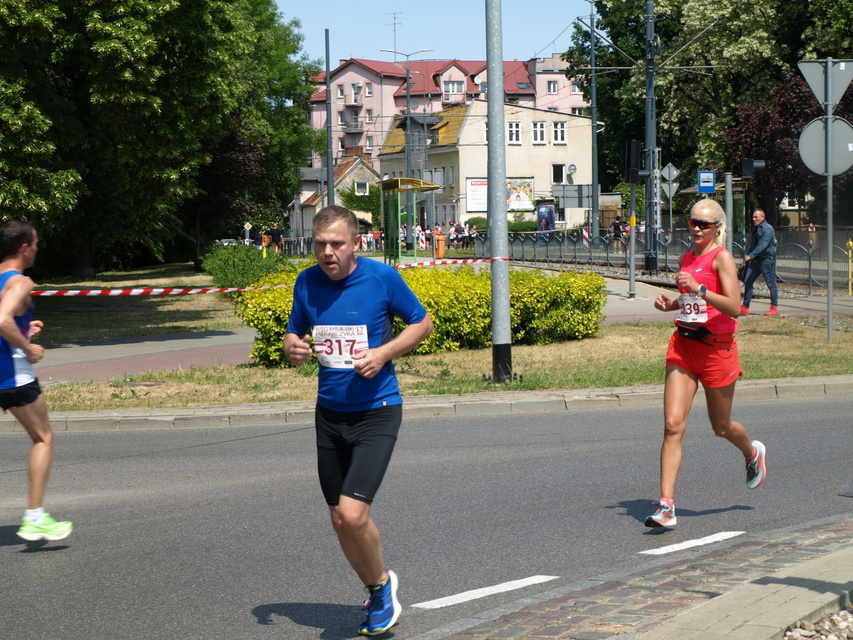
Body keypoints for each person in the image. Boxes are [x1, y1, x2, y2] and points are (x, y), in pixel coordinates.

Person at [283, 205, 433, 636]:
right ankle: (376, 586)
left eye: (337, 244)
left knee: (352, 513)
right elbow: (295, 331)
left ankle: (383, 590)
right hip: (329, 414)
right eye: (320, 244)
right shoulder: (306, 281)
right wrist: (293, 347)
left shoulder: (381, 278)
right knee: (337, 517)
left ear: (355, 243)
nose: (327, 253)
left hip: (377, 411)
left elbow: (422, 323)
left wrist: (384, 353)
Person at [646, 199, 766, 528]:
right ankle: (666, 506)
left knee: (721, 427)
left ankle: (752, 453)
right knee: (672, 426)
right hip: (684, 347)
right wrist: (670, 303)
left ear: (716, 228)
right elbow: (691, 304)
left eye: (704, 224)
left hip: (717, 351)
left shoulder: (722, 258)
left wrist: (698, 288)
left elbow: (733, 306)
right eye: (692, 222)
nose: (697, 228)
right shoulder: (688, 257)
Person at [0, 221, 73, 542]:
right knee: (43, 437)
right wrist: (27, 346)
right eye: (37, 243)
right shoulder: (22, 281)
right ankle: (35, 518)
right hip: (12, 375)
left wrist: (26, 329)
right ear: (24, 247)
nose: (38, 248)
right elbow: (2, 320)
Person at [741, 208, 779, 317]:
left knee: (771, 284)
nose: (753, 219)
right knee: (748, 281)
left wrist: (751, 255)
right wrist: (747, 260)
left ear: (763, 217)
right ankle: (745, 307)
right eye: (753, 217)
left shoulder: (768, 229)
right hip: (755, 261)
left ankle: (774, 308)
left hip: (765, 260)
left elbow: (763, 244)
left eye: (756, 217)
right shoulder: (756, 229)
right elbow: (753, 245)